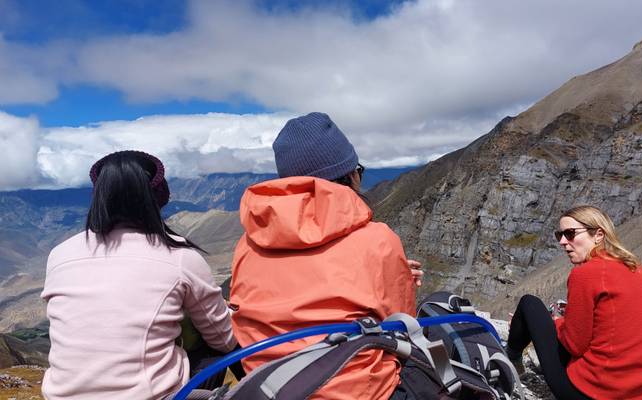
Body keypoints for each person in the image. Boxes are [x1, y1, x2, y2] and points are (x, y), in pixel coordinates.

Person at [230, 112, 420, 400]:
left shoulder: (248, 242)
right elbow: (401, 325)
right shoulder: (379, 240)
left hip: (268, 387)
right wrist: (393, 277)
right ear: (351, 176)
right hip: (358, 391)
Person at [41, 150, 237, 400]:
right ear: (158, 195)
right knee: (213, 341)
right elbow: (224, 340)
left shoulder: (58, 255)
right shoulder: (180, 257)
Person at [505, 205, 642, 400]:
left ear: (598, 235)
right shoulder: (635, 268)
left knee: (530, 304)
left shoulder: (586, 273)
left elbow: (575, 345)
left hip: (595, 393)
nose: (563, 242)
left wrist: (554, 322)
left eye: (570, 234)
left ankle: (511, 359)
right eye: (559, 235)